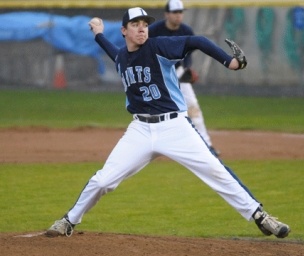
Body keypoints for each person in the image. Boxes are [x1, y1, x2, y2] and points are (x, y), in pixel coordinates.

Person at [45, 7, 290, 239]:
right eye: (135, 24)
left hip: (175, 127)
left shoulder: (159, 46)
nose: (142, 29)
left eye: (145, 25)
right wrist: (98, 34)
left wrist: (230, 62)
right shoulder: (121, 57)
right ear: (123, 31)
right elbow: (113, 51)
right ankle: (69, 221)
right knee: (102, 180)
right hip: (140, 130)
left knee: (215, 170)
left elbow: (198, 41)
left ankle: (260, 216)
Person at [149, 0, 220, 157]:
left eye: (180, 12)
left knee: (193, 107)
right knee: (153, 110)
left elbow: (188, 53)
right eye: (175, 12)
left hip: (178, 72)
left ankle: (207, 146)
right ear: (167, 14)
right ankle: (154, 147)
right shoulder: (154, 30)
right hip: (157, 74)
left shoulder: (186, 30)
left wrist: (187, 68)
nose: (178, 16)